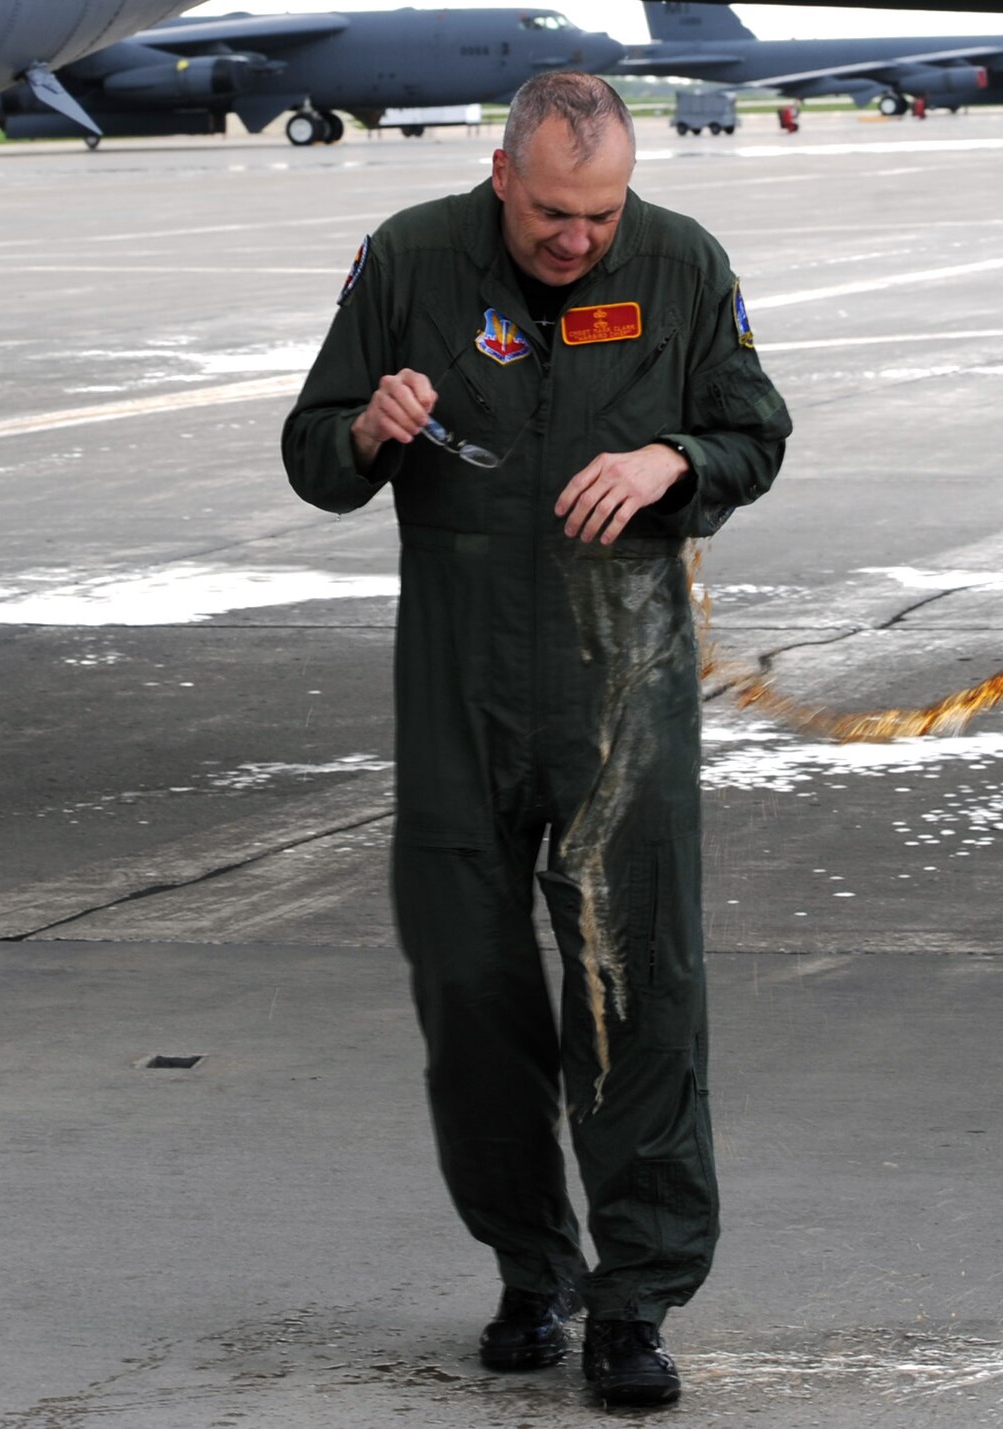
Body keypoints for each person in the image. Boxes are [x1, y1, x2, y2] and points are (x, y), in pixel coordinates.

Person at [282, 73, 791, 1404]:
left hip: (621, 674)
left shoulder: (680, 264)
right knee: (469, 983)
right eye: (557, 213)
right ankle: (531, 1266)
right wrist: (368, 430)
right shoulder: (410, 261)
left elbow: (757, 433)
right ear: (503, 177)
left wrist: (674, 460)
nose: (581, 239)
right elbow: (311, 454)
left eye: (602, 212)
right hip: (456, 673)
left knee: (637, 982)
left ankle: (634, 1299)